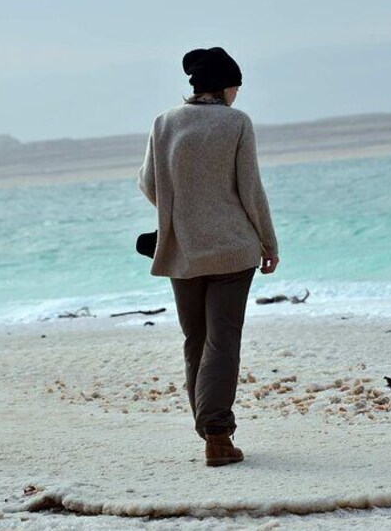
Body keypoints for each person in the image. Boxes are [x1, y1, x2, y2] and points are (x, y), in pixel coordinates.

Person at [137, 46, 279, 467]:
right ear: (224, 86)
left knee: (195, 341)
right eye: (236, 86)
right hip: (232, 250)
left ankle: (211, 432)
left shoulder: (164, 122)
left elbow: (148, 183)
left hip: (182, 251)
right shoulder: (236, 122)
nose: (237, 94)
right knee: (223, 340)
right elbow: (250, 189)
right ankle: (217, 435)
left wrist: (182, 214)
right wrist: (269, 243)